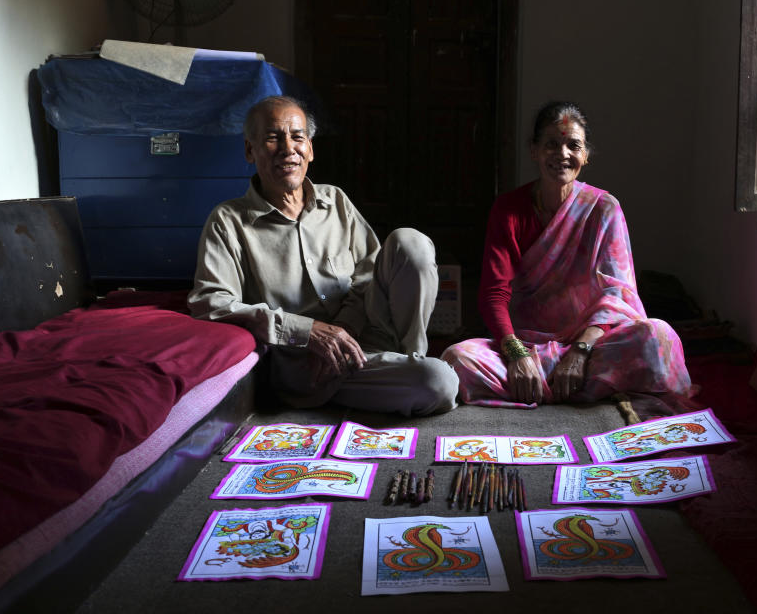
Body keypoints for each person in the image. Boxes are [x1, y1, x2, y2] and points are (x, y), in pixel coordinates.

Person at [188, 95, 458, 416]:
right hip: (310, 364)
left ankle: (410, 355)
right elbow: (211, 304)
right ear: (250, 150)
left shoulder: (335, 200)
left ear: (310, 149)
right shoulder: (229, 221)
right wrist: (305, 331)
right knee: (438, 382)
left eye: (298, 137)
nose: (289, 148)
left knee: (410, 242)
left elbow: (368, 271)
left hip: (369, 331)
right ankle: (400, 376)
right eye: (273, 137)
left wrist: (347, 324)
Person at [441, 101, 692, 409]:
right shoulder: (508, 210)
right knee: (456, 359)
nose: (562, 154)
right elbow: (494, 294)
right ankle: (573, 387)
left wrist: (579, 352)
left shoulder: (603, 209)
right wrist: (517, 355)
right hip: (525, 346)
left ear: (585, 156)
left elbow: (617, 295)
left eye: (573, 145)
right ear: (534, 151)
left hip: (590, 345)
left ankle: (544, 387)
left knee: (657, 336)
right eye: (551, 145)